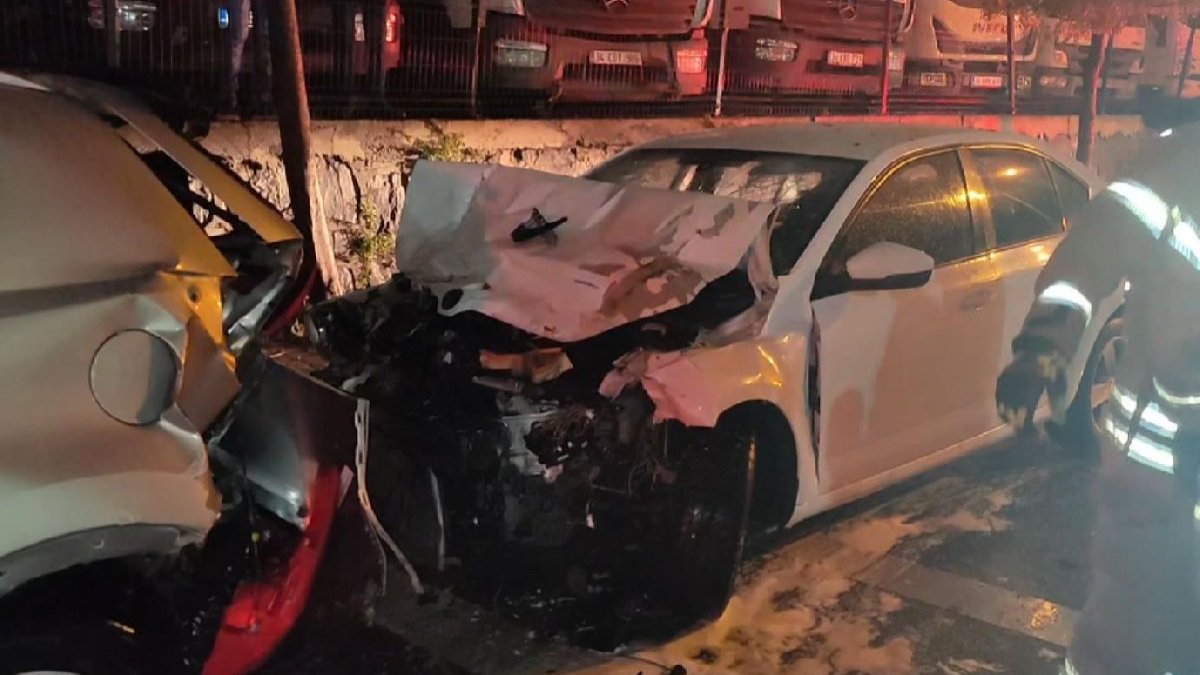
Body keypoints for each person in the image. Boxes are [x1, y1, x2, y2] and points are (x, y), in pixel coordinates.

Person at [996, 99, 1200, 675]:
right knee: (1128, 634)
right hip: (1157, 472)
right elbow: (1088, 259)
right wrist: (1042, 349)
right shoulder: (1176, 170)